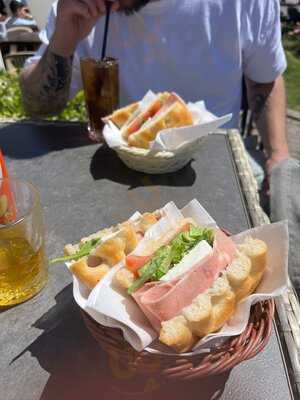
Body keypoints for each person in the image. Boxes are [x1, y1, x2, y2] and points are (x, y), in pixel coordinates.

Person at [20, 0, 290, 175]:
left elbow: (264, 80)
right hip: (121, 166)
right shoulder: (80, 7)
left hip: (220, 164)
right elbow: (40, 107)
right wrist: (64, 39)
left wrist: (278, 157)